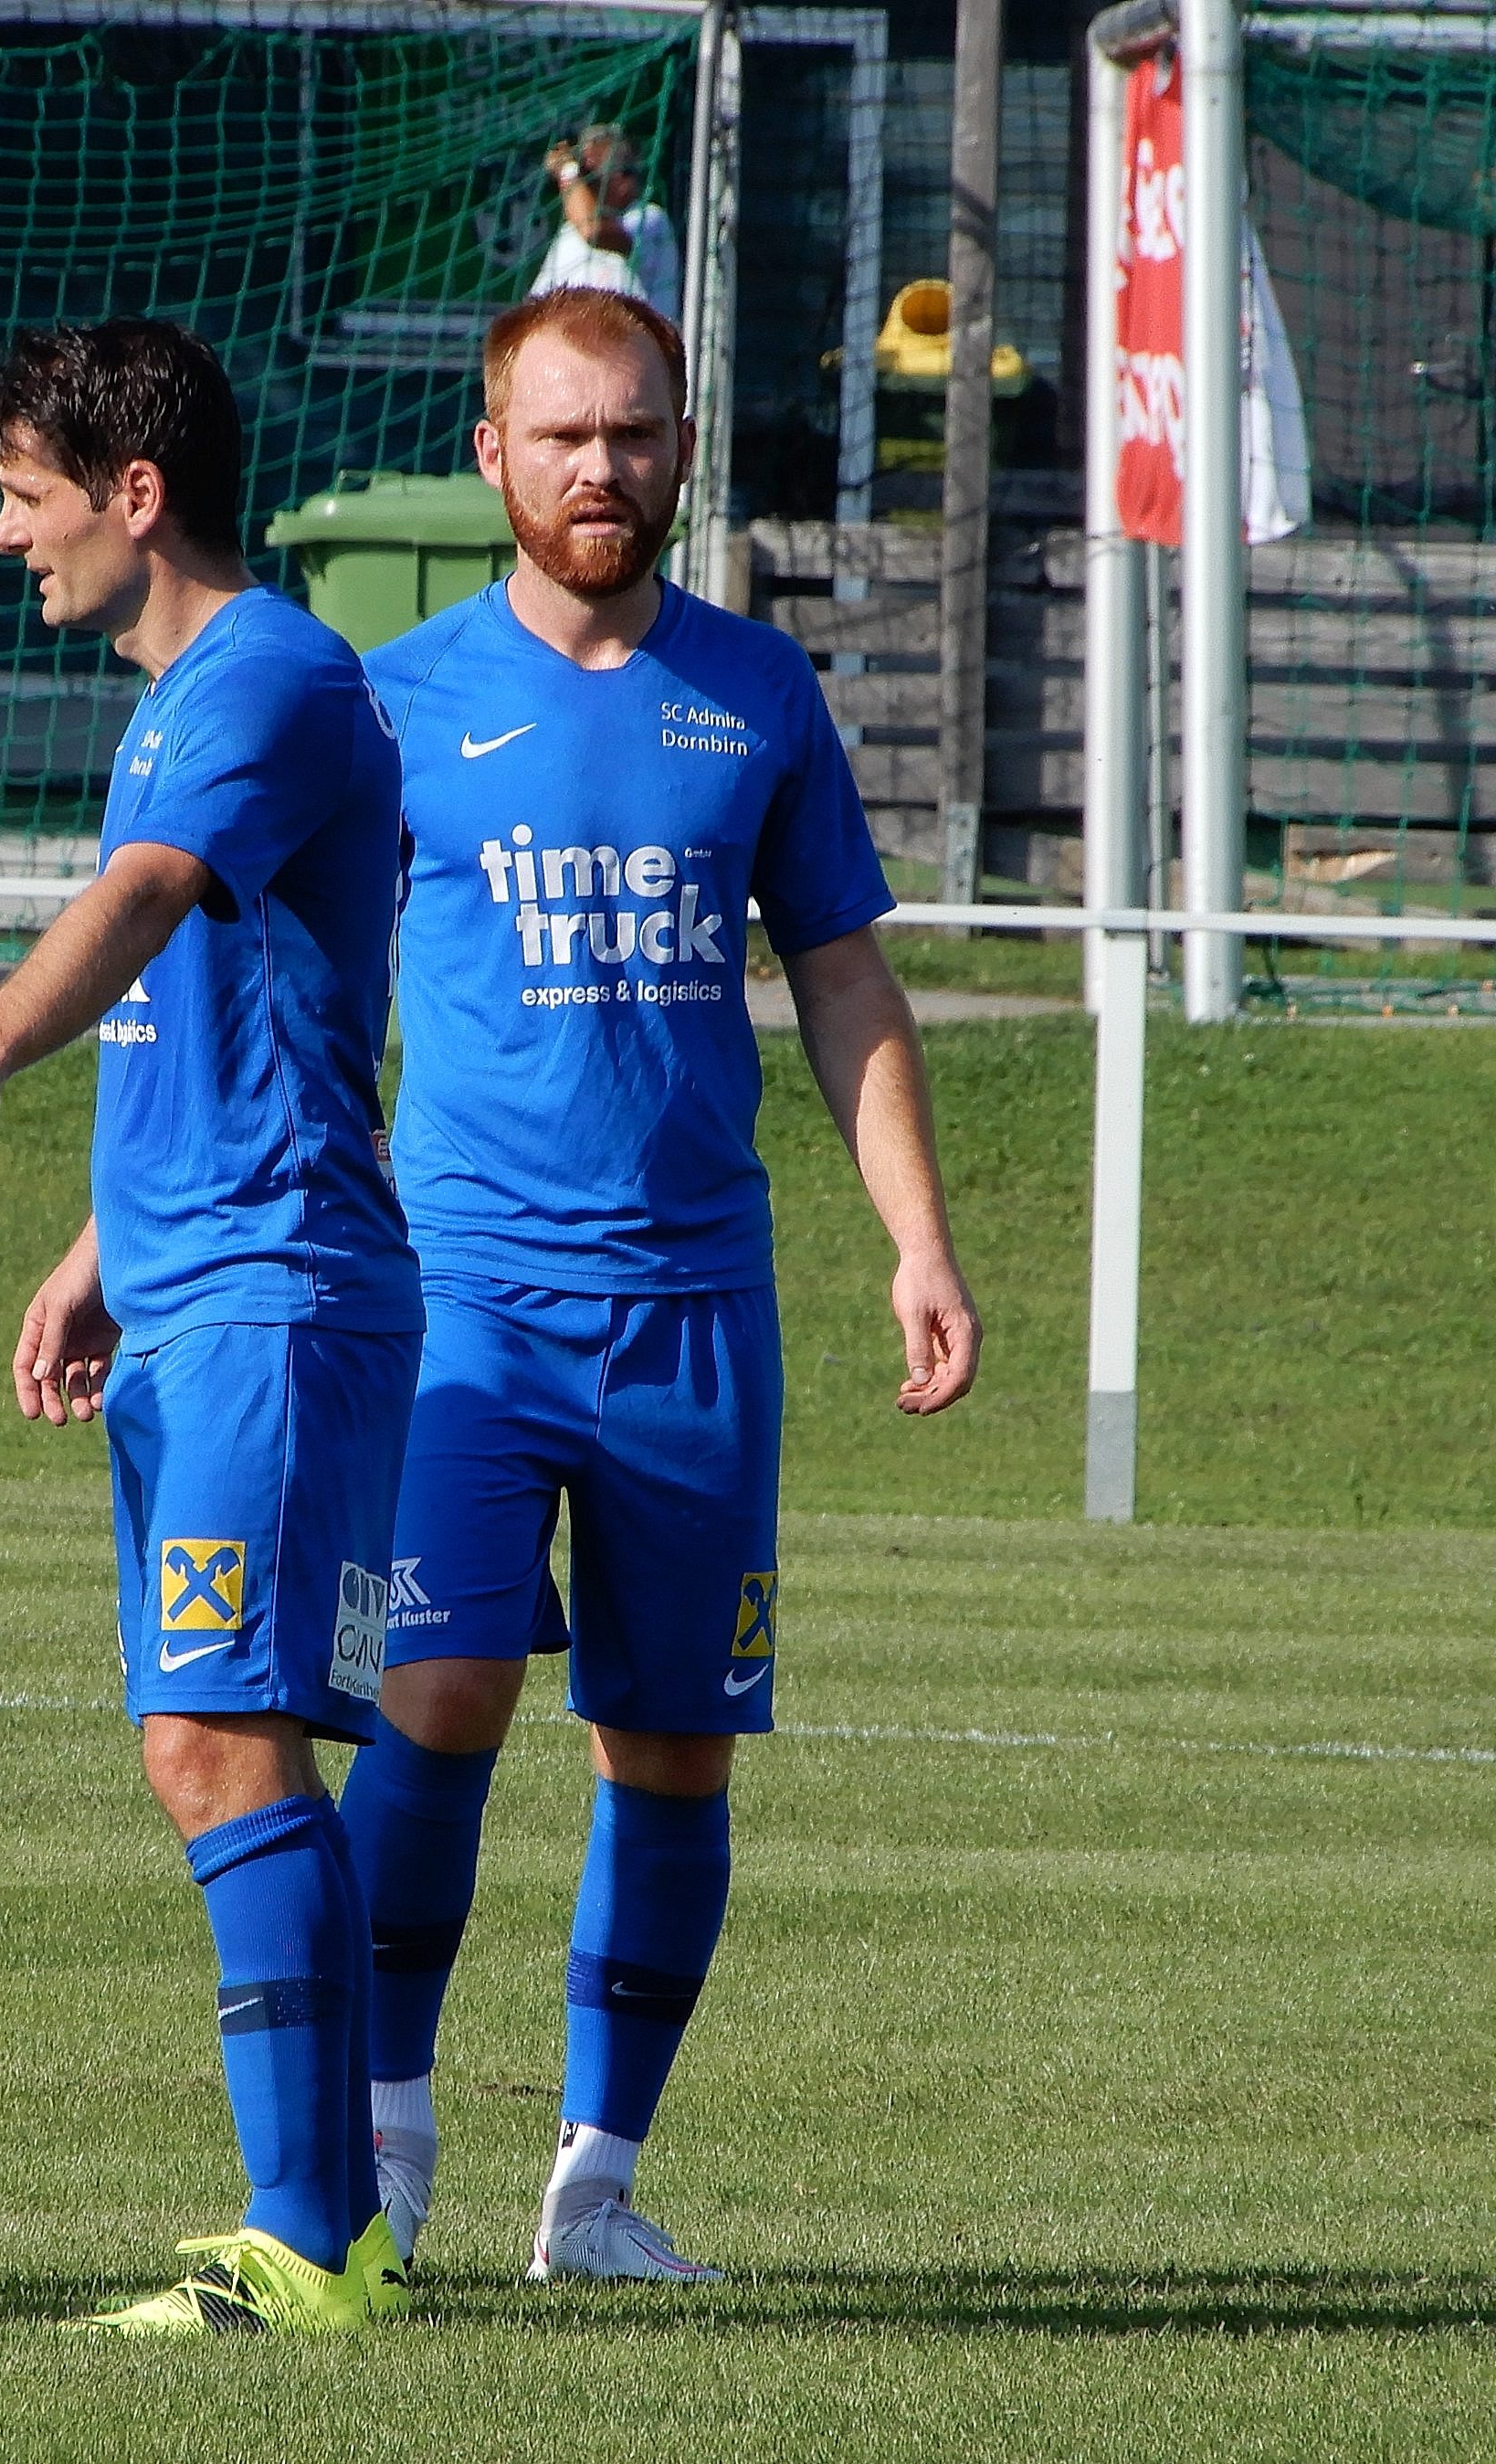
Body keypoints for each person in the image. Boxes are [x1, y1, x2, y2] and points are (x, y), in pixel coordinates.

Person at [343, 288, 977, 2286]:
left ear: (684, 446)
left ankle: (597, 2191)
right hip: (460, 1303)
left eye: (633, 433)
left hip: (696, 1311)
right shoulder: (395, 703)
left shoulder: (759, 698)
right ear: (491, 457)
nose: (599, 468)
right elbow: (294, 992)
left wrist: (920, 1239)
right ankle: (382, 2139)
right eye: (561, 436)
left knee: (670, 1748)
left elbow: (846, 981)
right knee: (427, 1703)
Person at [0, 319, 419, 2336]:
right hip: (216, 1284)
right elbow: (237, 1013)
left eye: (27, 494)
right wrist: (104, 1248)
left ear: (136, 494)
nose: (7, 537)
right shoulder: (190, 694)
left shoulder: (260, 672)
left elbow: (158, 895)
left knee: (215, 1741)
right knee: (232, 1744)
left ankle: (307, 2244)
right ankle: (337, 2236)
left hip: (279, 1298)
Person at [529, 125, 681, 324]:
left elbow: (595, 232)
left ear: (622, 177)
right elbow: (535, 309)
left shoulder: (648, 218)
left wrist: (567, 171)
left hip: (630, 350)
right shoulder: (569, 234)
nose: (581, 186)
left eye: (587, 173)